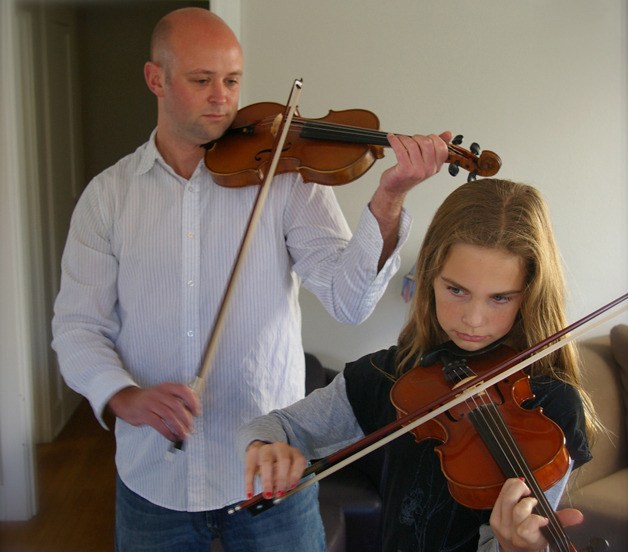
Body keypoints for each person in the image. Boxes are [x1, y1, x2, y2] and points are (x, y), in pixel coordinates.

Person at [51, 7, 451, 552]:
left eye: (233, 80)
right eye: (202, 80)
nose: (223, 97)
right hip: (154, 482)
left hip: (272, 476)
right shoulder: (109, 197)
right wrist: (123, 396)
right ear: (156, 79)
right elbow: (76, 328)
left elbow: (349, 300)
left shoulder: (286, 176)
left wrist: (388, 200)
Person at [238, 178, 599, 552]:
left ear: (531, 293)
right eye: (456, 290)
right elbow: (274, 424)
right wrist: (265, 444)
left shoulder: (550, 410)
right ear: (429, 277)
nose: (473, 318)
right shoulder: (389, 376)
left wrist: (515, 547)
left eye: (500, 298)